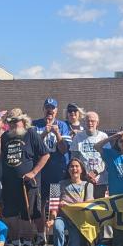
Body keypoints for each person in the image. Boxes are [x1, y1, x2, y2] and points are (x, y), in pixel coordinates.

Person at [0, 109, 49, 246]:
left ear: (23, 121)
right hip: (9, 183)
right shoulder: (5, 136)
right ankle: (16, 243)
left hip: (27, 183)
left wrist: (33, 173)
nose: (13, 124)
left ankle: (27, 244)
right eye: (10, 122)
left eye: (16, 121)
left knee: (26, 215)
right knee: (10, 215)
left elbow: (45, 154)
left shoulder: (31, 134)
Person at [33, 99, 72, 233]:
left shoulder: (62, 125)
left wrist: (57, 134)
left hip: (56, 170)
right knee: (41, 203)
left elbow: (64, 149)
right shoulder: (35, 125)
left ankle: (55, 232)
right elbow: (33, 149)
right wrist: (44, 133)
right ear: (43, 109)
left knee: (55, 202)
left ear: (56, 110)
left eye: (52, 108)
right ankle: (42, 233)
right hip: (40, 171)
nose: (50, 111)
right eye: (47, 108)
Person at [50, 158, 94, 246]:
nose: (74, 168)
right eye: (71, 166)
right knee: (57, 226)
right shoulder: (58, 184)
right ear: (68, 170)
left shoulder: (89, 185)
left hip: (78, 221)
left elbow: (88, 205)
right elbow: (53, 204)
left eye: (77, 166)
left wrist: (69, 205)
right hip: (63, 218)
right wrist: (51, 218)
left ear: (81, 169)